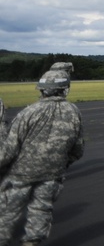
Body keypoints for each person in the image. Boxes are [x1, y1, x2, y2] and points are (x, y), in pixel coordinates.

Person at [0, 70, 84, 246]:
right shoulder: (73, 111)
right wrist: (63, 163)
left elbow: (10, 148)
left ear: (42, 90)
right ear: (65, 89)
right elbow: (77, 148)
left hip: (22, 173)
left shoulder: (29, 112)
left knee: (7, 213)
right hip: (53, 172)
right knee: (41, 209)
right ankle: (32, 242)